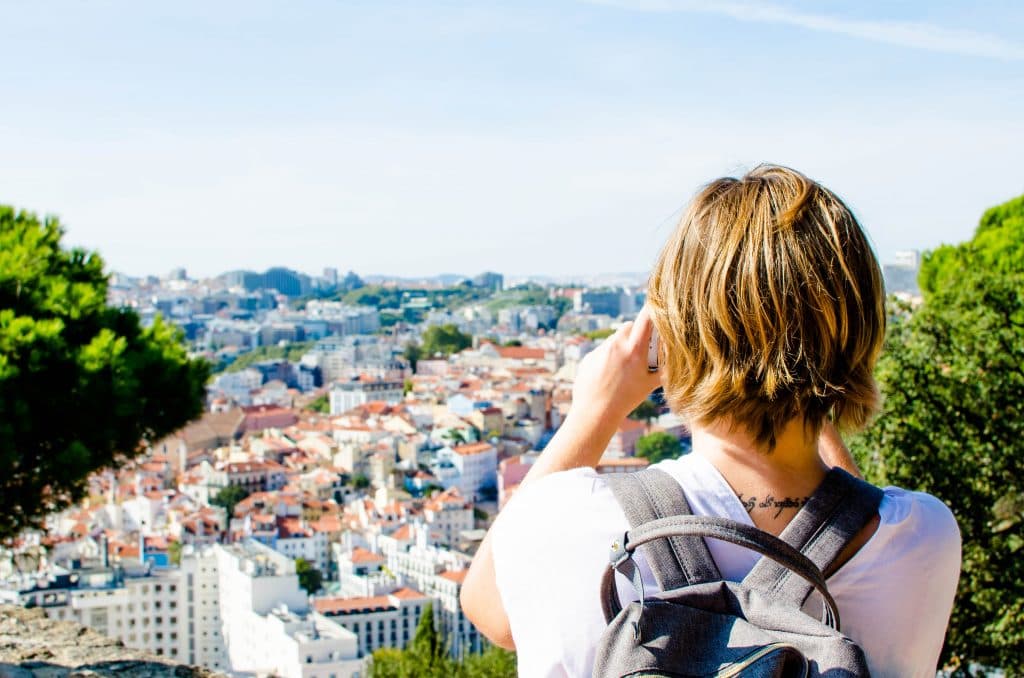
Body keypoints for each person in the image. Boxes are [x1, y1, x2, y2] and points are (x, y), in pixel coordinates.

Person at [460, 164, 961, 677]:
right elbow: (854, 505)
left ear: (675, 334)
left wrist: (596, 408)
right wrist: (811, 383)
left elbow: (487, 609)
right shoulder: (922, 537)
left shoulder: (564, 521)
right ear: (863, 331)